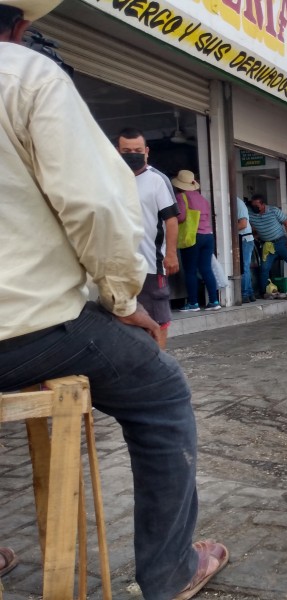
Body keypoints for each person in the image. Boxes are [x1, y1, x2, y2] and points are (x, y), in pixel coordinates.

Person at [0, 1, 228, 598]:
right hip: (24, 323)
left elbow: (168, 225)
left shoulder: (163, 188)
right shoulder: (25, 74)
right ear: (20, 26)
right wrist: (123, 298)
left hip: (148, 261)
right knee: (161, 393)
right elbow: (98, 209)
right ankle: (169, 570)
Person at [116, 127, 179, 348]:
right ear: (117, 151)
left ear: (147, 151)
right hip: (120, 263)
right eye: (126, 150)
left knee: (158, 316)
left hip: (152, 263)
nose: (132, 154)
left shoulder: (157, 180)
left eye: (137, 150)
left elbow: (171, 220)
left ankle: (159, 364)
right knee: (123, 315)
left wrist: (171, 254)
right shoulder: (111, 178)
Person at [172, 170, 220, 311]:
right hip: (208, 236)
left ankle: (193, 303)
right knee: (206, 269)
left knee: (190, 271)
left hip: (192, 236)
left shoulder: (181, 197)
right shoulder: (202, 198)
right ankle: (214, 301)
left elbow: (181, 217)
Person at [248, 193, 287, 295]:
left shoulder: (274, 211)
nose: (254, 208)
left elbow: (286, 224)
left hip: (281, 242)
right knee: (264, 268)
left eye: (256, 206)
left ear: (262, 204)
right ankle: (264, 292)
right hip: (267, 245)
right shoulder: (250, 214)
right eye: (252, 206)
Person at [237, 196, 257, 303]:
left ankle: (245, 294)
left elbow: (243, 224)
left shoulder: (237, 203)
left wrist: (225, 228)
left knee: (244, 268)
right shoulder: (238, 203)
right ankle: (249, 293)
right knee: (245, 268)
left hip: (245, 239)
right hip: (246, 239)